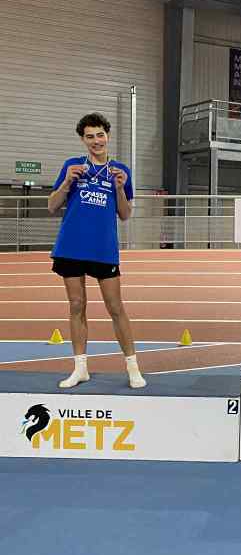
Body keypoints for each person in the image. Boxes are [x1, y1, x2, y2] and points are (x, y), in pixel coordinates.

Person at [47, 113, 146, 390]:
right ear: (83, 140)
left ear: (107, 136)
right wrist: (66, 183)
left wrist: (120, 189)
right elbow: (52, 206)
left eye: (100, 135)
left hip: (103, 248)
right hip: (71, 246)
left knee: (116, 308)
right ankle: (80, 369)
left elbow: (125, 214)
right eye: (89, 136)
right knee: (77, 305)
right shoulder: (72, 166)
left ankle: (133, 368)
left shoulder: (120, 171)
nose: (96, 141)